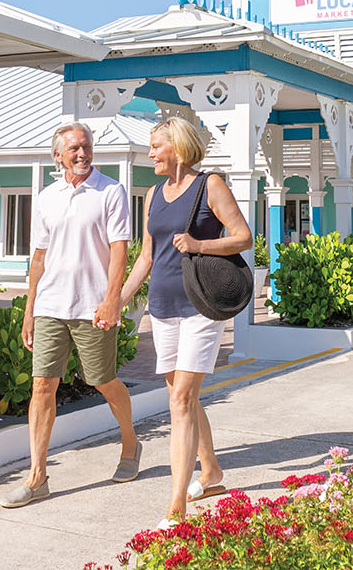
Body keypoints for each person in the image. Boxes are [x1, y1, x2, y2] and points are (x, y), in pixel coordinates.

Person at [119, 117, 253, 528]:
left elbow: (243, 236)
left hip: (200, 306)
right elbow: (146, 256)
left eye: (156, 146)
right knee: (185, 397)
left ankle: (176, 506)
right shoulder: (153, 194)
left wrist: (199, 244)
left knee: (179, 401)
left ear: (176, 147)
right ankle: (210, 472)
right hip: (161, 307)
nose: (151, 153)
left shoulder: (209, 185)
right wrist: (116, 302)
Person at [0, 121, 140, 508]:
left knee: (103, 380)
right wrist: (29, 309)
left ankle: (130, 442)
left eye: (86, 147)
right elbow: (39, 257)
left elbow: (119, 251)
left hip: (92, 305)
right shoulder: (46, 196)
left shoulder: (110, 191)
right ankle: (37, 476)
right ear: (57, 156)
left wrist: (113, 300)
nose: (82, 154)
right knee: (42, 385)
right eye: (74, 149)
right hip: (50, 305)